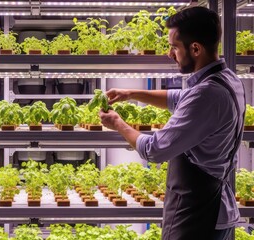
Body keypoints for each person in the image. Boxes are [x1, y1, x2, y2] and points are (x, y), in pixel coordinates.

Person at [99, 6, 245, 240]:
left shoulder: (206, 94)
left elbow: (154, 149)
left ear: (195, 48)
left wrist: (117, 123)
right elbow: (178, 98)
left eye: (174, 47)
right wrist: (131, 93)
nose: (170, 54)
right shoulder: (226, 80)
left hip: (198, 218)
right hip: (215, 211)